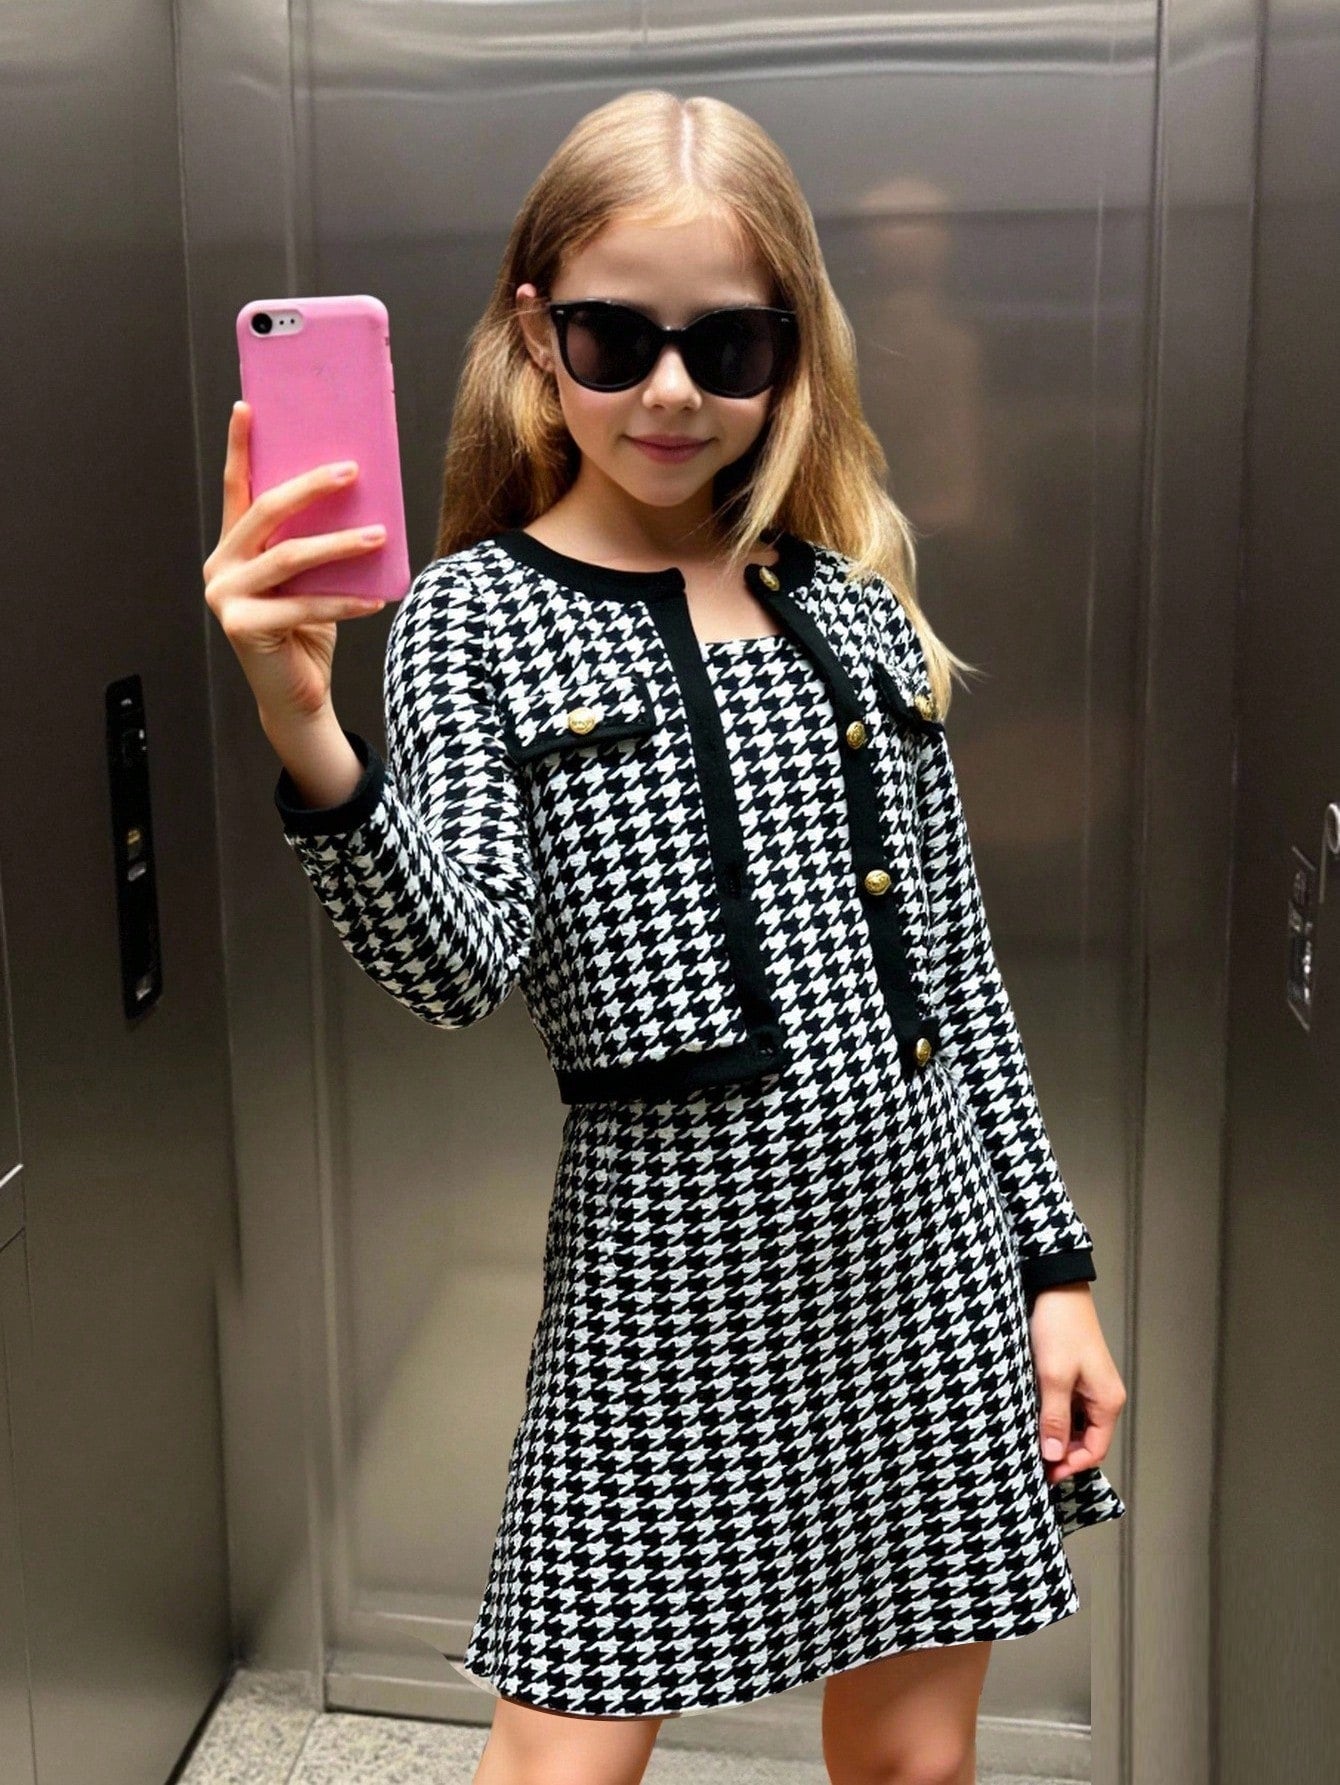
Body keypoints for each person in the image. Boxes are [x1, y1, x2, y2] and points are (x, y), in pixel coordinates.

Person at [204, 87, 1127, 1785]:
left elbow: (958, 981)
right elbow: (452, 966)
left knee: (917, 1760)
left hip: (920, 1258)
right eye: (617, 339)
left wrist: (1053, 1270)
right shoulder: (479, 615)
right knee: (561, 1764)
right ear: (535, 332)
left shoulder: (849, 605)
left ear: (792, 349)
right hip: (658, 1276)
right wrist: (305, 727)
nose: (674, 392)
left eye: (731, 344)